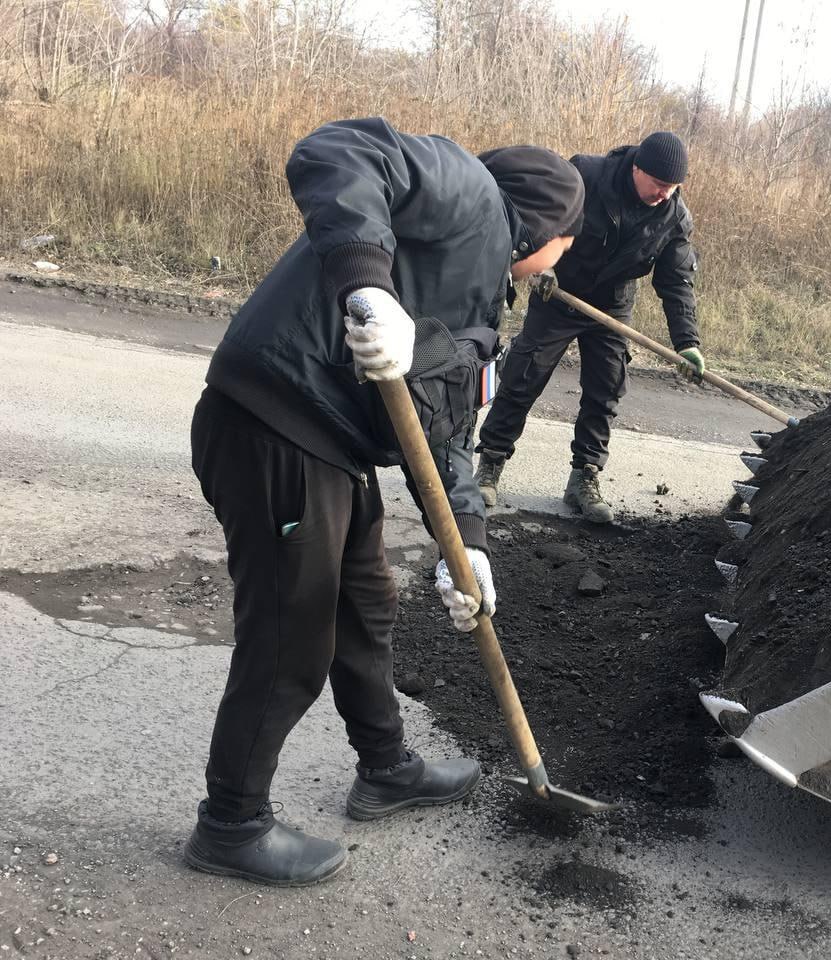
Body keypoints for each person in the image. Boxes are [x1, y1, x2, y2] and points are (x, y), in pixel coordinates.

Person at [182, 117, 584, 887]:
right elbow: (340, 151)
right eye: (567, 242)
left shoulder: (479, 290)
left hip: (332, 445)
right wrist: (367, 284)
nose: (558, 264)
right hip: (275, 422)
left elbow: (445, 435)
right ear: (544, 225)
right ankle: (230, 823)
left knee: (366, 605)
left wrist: (465, 541)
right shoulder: (467, 192)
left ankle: (387, 767)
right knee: (290, 635)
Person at [474, 131, 701, 523]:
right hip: (558, 292)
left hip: (612, 303)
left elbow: (677, 282)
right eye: (658, 184)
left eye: (672, 187)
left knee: (606, 387)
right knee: (524, 375)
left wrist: (687, 343)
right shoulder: (586, 175)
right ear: (637, 168)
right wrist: (542, 264)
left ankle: (585, 476)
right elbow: (541, 218)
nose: (664, 193)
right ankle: (491, 462)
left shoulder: (673, 218)